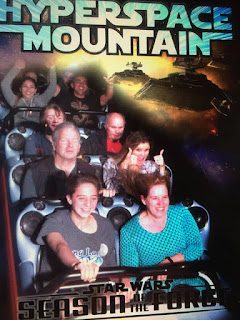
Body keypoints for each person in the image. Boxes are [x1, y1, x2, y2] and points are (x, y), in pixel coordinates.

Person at [36, 173, 116, 283]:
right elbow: (59, 245)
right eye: (81, 198)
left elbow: (111, 267)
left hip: (95, 289)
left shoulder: (105, 225)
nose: (88, 204)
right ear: (69, 199)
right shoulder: (54, 221)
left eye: (93, 198)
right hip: (61, 288)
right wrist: (76, 264)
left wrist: (123, 280)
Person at [120, 172, 203, 268]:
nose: (161, 203)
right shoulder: (129, 231)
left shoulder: (181, 214)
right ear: (144, 200)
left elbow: (197, 248)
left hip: (186, 278)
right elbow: (130, 274)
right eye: (154, 198)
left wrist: (168, 262)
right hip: (153, 282)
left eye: (164, 197)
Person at [21, 122, 98, 200]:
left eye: (74, 141)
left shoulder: (90, 172)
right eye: (64, 141)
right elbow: (28, 208)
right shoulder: (35, 172)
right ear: (54, 146)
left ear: (79, 146)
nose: (70, 145)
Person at [103, 130, 165, 195]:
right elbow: (113, 189)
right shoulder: (111, 163)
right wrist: (124, 168)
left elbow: (161, 192)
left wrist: (162, 168)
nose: (142, 154)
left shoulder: (150, 166)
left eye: (146, 150)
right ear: (129, 150)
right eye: (138, 150)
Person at [1, 59, 57, 125]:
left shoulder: (41, 100)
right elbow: (4, 85)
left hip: (37, 131)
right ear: (20, 89)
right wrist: (16, 67)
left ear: (35, 90)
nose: (28, 90)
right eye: (25, 86)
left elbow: (52, 87)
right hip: (18, 131)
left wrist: (52, 68)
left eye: (31, 87)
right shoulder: (14, 100)